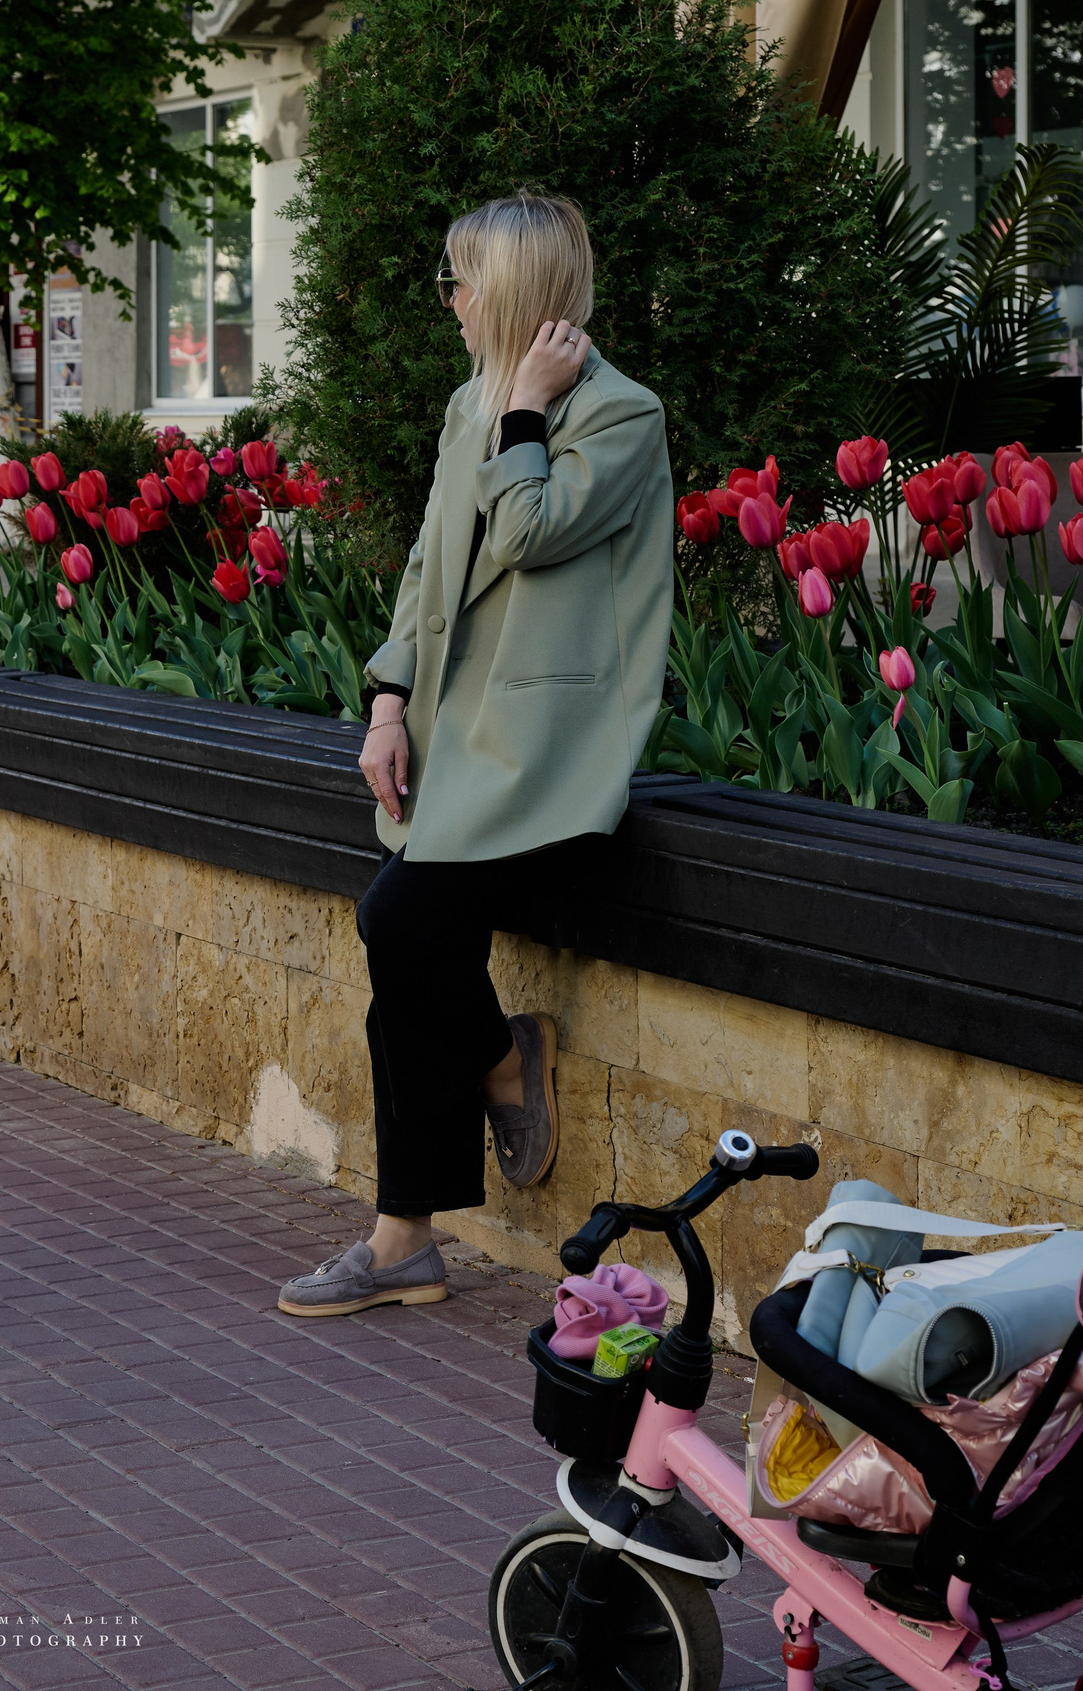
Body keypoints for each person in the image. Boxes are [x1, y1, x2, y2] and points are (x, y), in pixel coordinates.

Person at [277, 192, 674, 1319]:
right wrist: (387, 698)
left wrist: (529, 410)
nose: (449, 300)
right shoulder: (470, 404)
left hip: (545, 753)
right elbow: (427, 561)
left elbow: (526, 529)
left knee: (398, 923)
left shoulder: (618, 414)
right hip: (455, 739)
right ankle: (411, 1219)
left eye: (463, 280)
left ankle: (486, 1090)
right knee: (406, 949)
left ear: (515, 291)